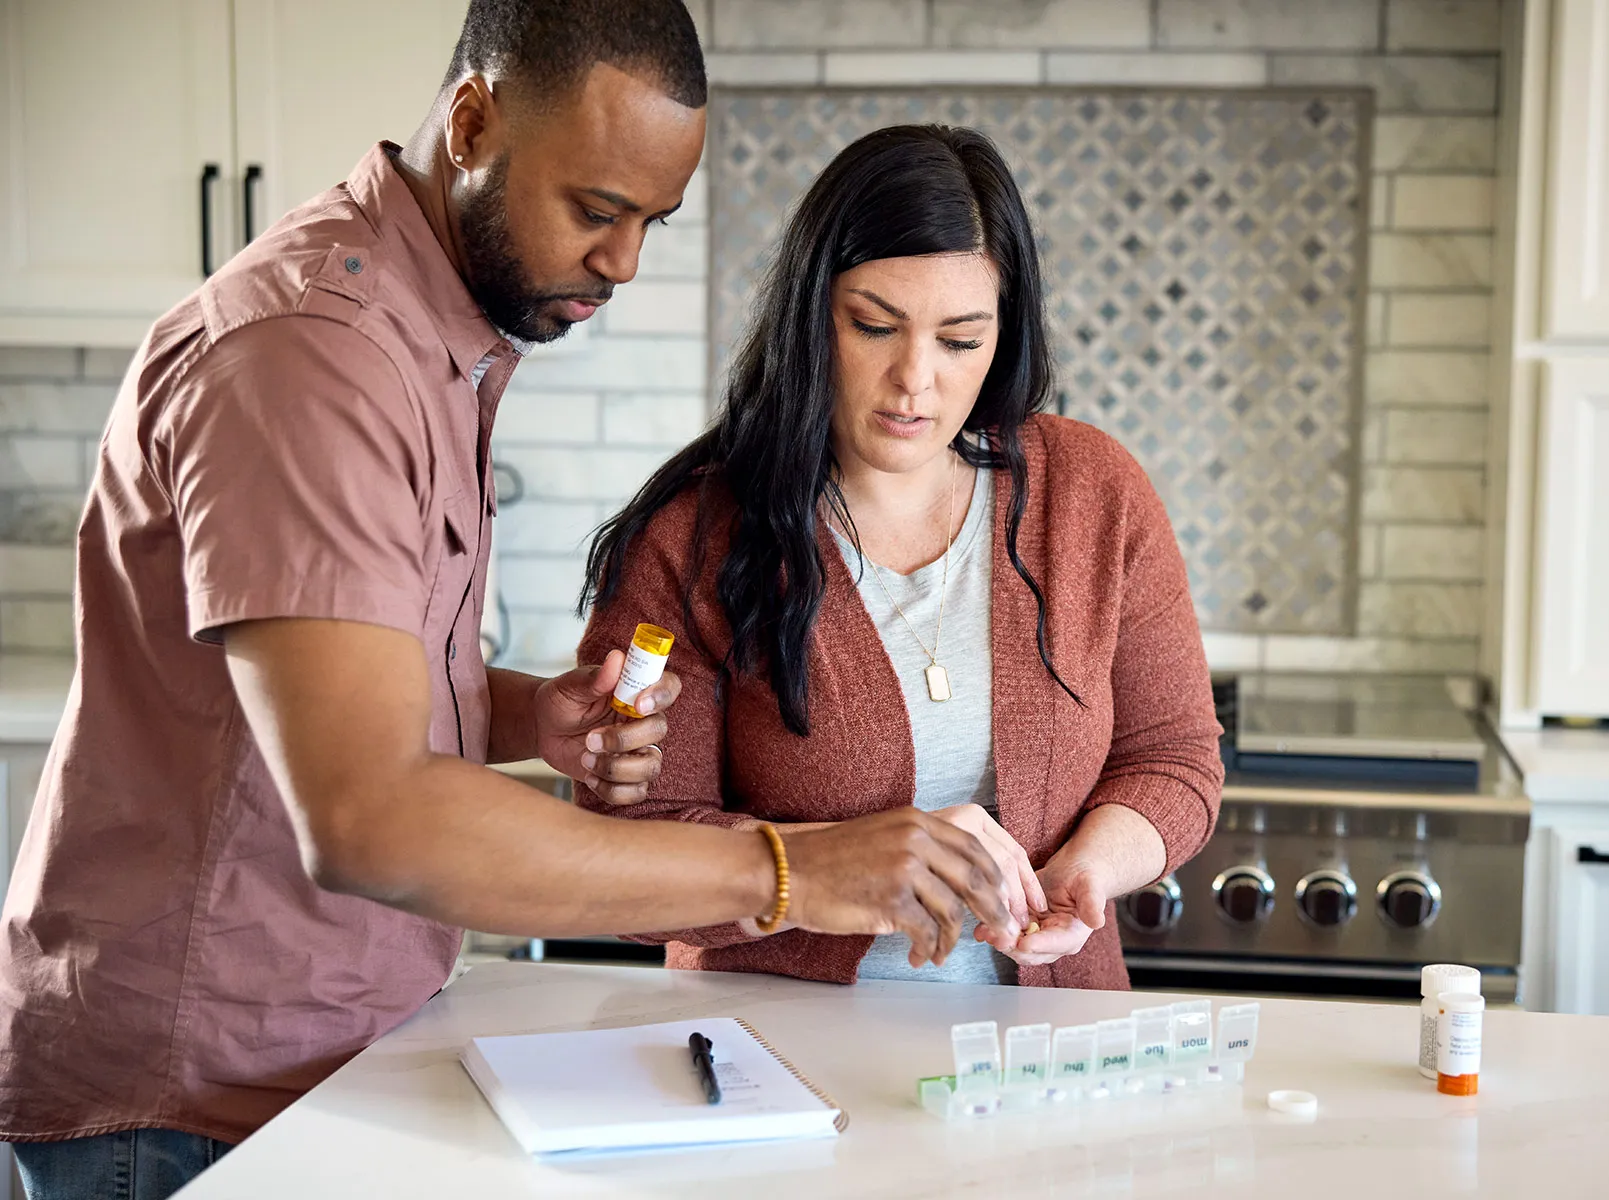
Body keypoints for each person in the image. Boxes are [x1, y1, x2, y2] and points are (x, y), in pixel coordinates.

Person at [0, 11, 1013, 1198]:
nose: (624, 262)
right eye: (595, 210)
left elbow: (336, 694)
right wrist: (795, 872)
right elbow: (373, 815)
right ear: (471, 123)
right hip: (194, 1098)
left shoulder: (430, 340)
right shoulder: (312, 361)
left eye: (652, 222)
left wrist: (528, 714)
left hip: (320, 1055)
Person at [577, 124, 1226, 990]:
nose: (917, 379)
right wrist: (826, 867)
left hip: (1043, 1066)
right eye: (875, 326)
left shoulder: (1093, 493)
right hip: (776, 1065)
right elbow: (625, 863)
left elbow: (1175, 758)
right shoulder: (694, 539)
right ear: (814, 315)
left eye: (960, 341)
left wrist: (1089, 867)